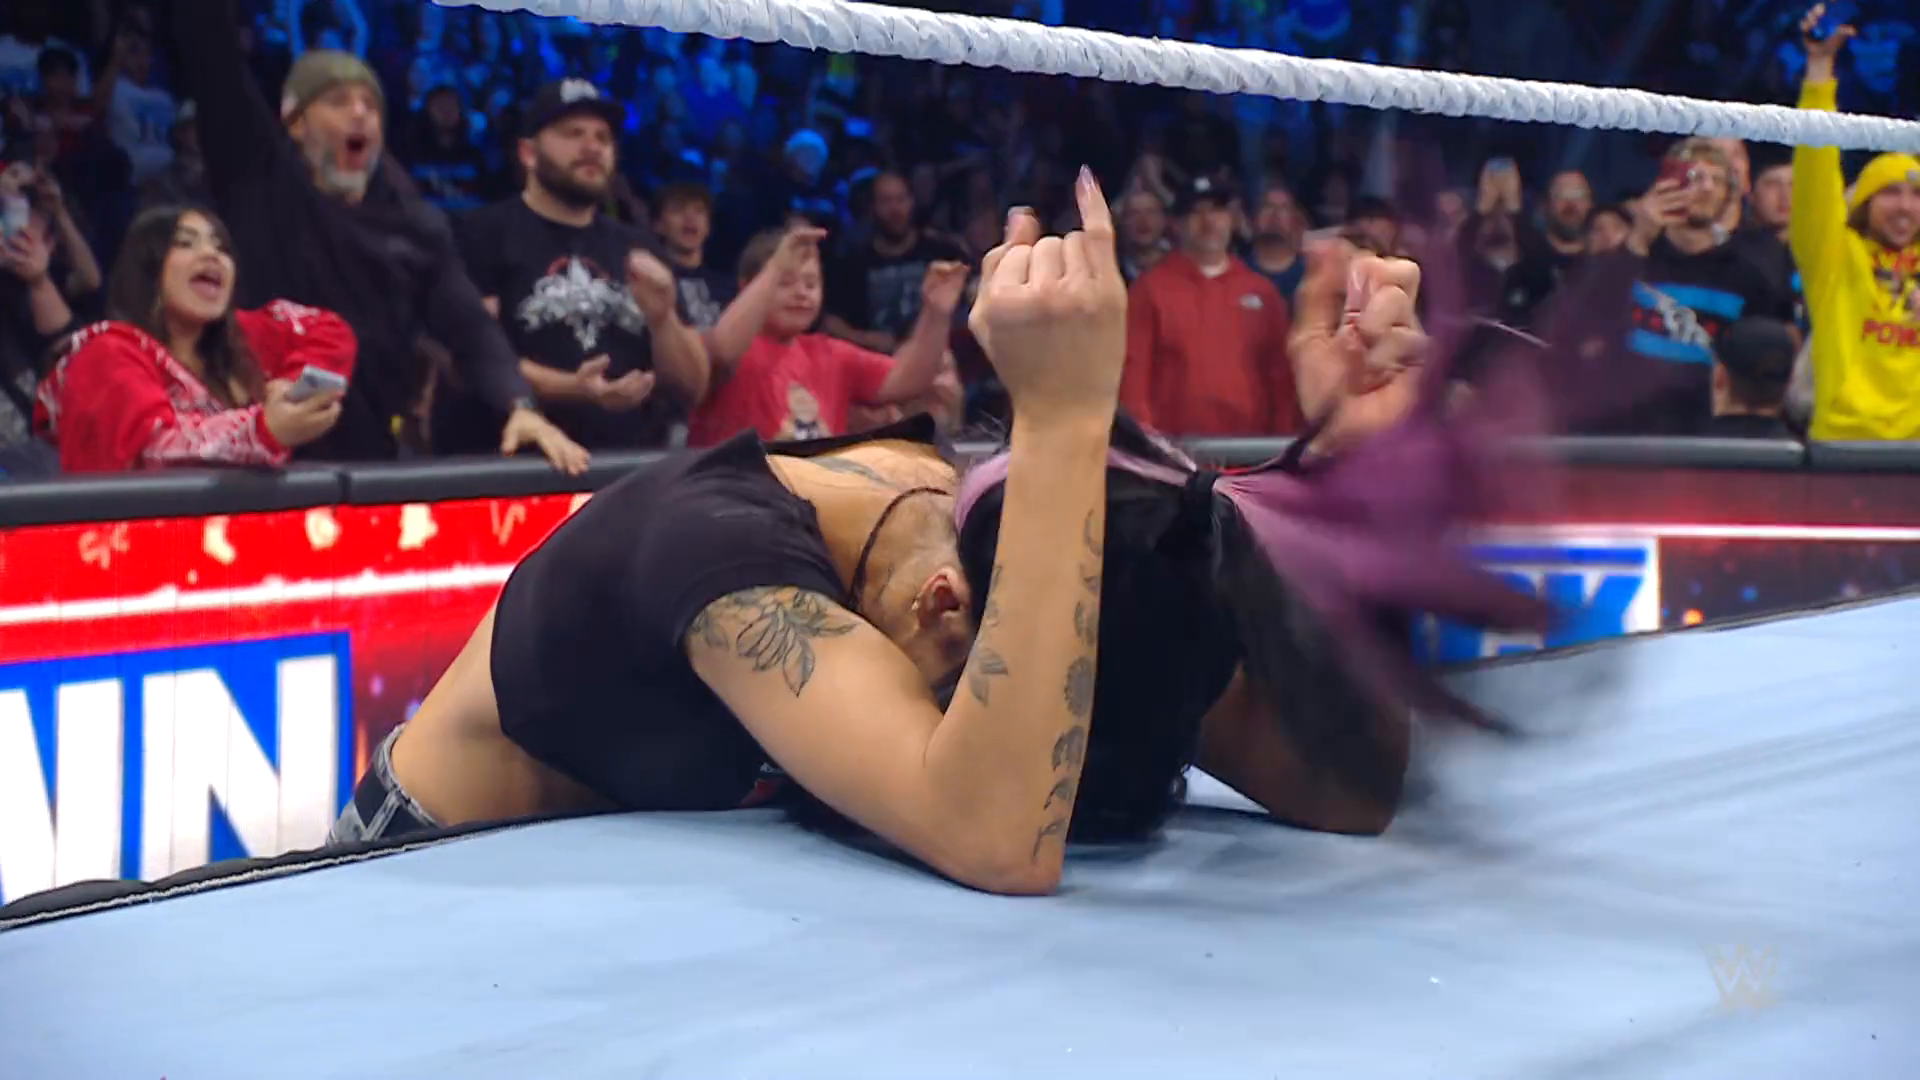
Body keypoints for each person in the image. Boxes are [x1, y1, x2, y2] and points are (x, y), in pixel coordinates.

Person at [330, 175, 1539, 893]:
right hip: (421, 887)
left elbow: (1347, 787)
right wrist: (1061, 410)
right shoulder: (720, 553)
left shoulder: (1083, 555)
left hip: (631, 901)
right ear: (946, 608)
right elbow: (999, 834)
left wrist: (1363, 470)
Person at [170, 0, 585, 470]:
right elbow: (213, 55)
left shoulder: (416, 224)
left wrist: (520, 405)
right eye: (337, 101)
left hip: (372, 461)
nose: (360, 114)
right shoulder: (258, 179)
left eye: (371, 105)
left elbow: (470, 327)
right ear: (296, 123)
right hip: (255, 460)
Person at [34, 205, 354, 472]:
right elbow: (152, 451)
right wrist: (264, 431)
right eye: (185, 244)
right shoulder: (106, 354)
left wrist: (289, 388)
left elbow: (329, 331)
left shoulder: (236, 339)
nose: (211, 255)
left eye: (221, 247)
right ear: (148, 269)